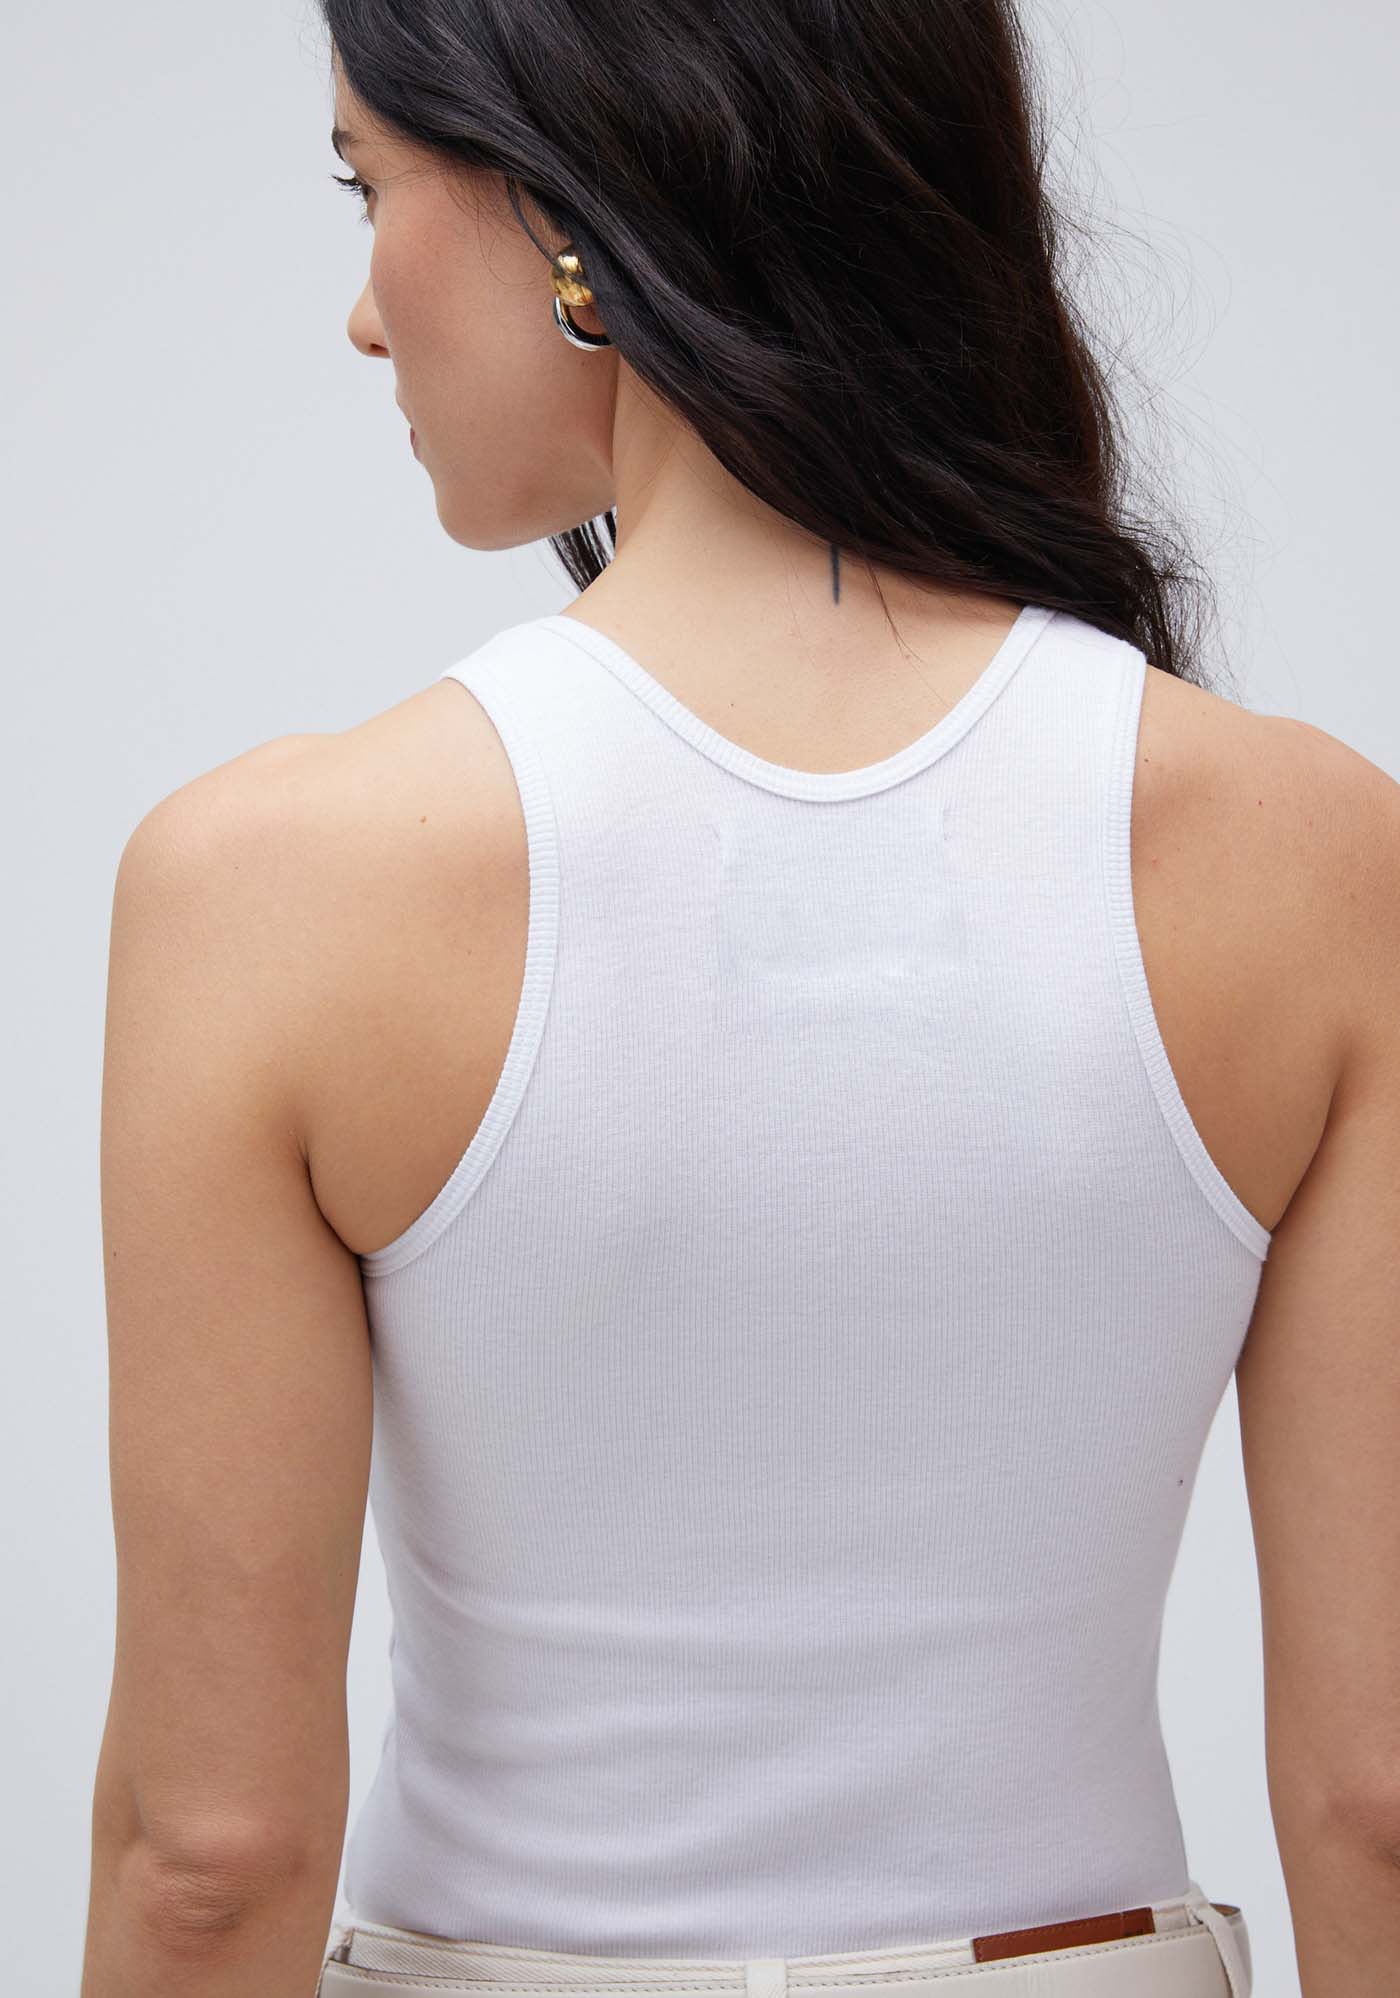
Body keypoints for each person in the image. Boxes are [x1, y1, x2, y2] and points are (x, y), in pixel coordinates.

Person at [80, 3, 1400, 1995]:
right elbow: (1379, 1794)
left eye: (370, 189)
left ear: (573, 212)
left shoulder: (268, 887)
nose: (363, 316)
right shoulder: (1315, 854)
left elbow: (212, 1854)